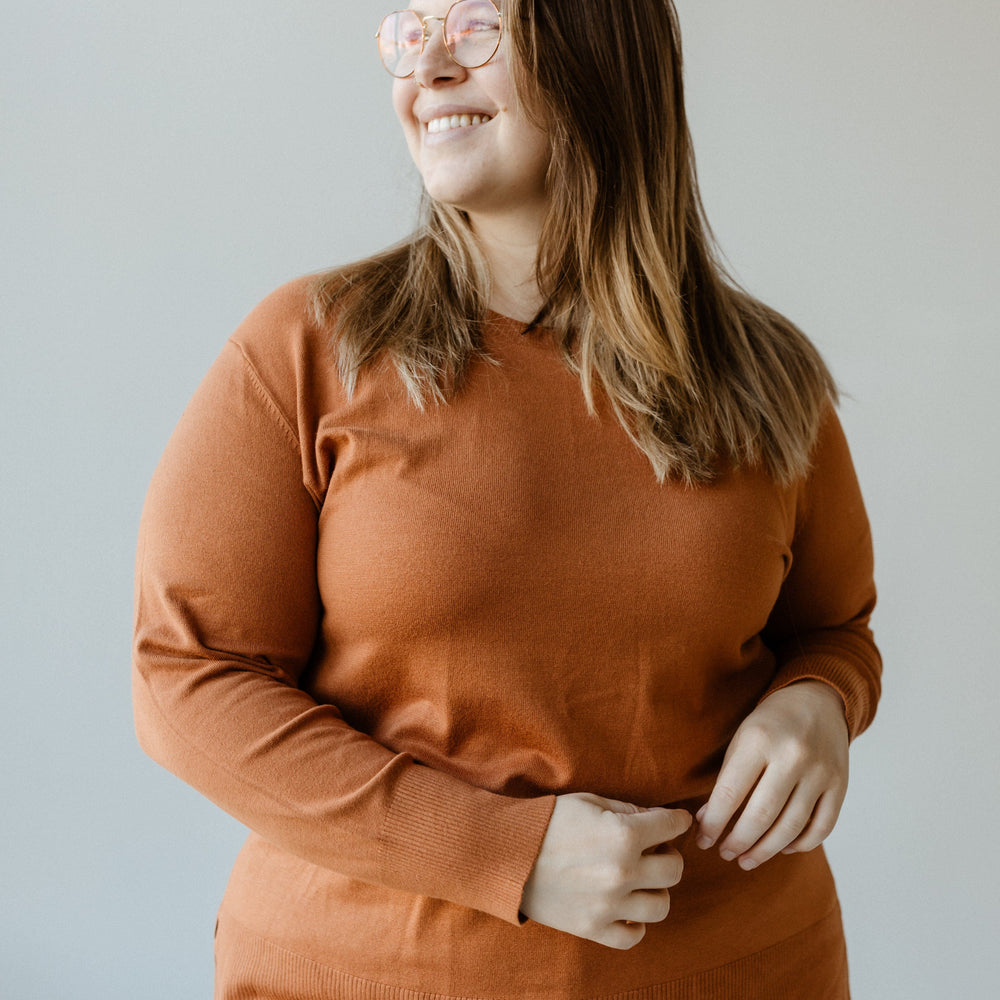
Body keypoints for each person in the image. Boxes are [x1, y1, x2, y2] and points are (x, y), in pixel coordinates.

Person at [131, 1, 881, 997]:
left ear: (597, 39)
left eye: (475, 24)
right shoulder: (306, 347)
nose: (428, 67)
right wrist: (500, 848)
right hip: (368, 973)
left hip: (736, 967)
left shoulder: (764, 375)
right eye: (408, 30)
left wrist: (821, 701)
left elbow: (835, 629)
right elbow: (187, 680)